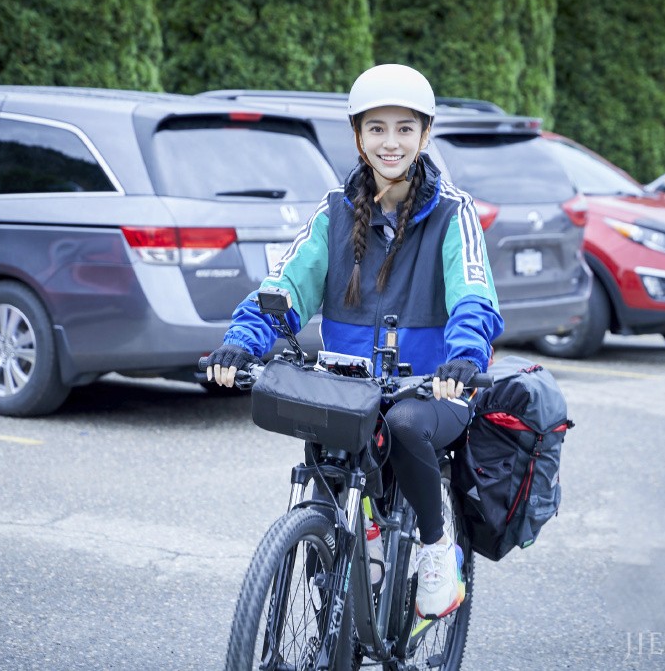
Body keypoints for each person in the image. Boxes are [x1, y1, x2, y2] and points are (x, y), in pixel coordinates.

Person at [205, 63, 504, 620]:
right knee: (327, 464)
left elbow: (474, 295)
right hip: (348, 389)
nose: (390, 142)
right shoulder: (335, 213)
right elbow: (286, 286)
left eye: (404, 128)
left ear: (426, 135)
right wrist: (242, 342)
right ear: (358, 136)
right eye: (377, 128)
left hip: (429, 389)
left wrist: (464, 356)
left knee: (407, 425)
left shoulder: (451, 214)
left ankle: (438, 552)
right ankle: (340, 562)